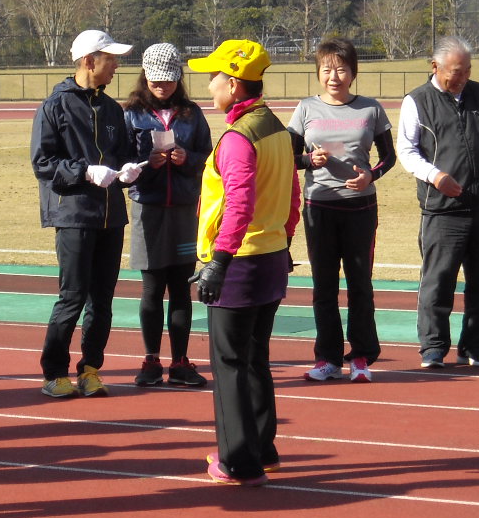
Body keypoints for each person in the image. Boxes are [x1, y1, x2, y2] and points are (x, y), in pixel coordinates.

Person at [187, 39, 300, 486]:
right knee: (255, 359)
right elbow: (293, 196)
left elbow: (238, 204)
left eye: (213, 78)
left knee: (230, 363)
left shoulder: (238, 138)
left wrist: (218, 260)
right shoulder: (274, 127)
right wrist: (285, 239)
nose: (209, 85)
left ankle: (238, 460)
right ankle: (263, 448)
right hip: (270, 256)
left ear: (233, 84)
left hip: (240, 261)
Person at [31, 29, 141, 399]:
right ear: (89, 60)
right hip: (74, 216)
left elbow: (121, 154)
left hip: (111, 217)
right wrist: (84, 171)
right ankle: (54, 371)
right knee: (73, 296)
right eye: (110, 59)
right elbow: (43, 163)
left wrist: (128, 170)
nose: (116, 66)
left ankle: (91, 369)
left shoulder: (112, 109)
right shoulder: (54, 106)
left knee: (103, 300)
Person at [397, 35, 479, 369]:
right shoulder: (417, 101)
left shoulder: (478, 92)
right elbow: (406, 150)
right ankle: (433, 347)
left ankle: (474, 346)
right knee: (438, 279)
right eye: (456, 71)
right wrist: (435, 176)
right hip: (442, 209)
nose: (462, 78)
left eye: (466, 71)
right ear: (435, 67)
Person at [287, 38, 396, 384]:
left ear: (353, 72)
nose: (334, 76)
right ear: (318, 72)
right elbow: (288, 157)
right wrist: (308, 160)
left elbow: (389, 157)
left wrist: (371, 175)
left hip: (361, 207)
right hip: (319, 207)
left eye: (341, 68)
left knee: (360, 284)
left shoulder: (371, 109)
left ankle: (361, 356)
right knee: (324, 286)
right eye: (326, 69)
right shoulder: (305, 109)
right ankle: (328, 358)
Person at [123, 43, 213, 388]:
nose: (162, 86)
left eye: (169, 81)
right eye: (156, 80)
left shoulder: (192, 114)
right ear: (145, 76)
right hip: (148, 208)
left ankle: (180, 361)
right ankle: (150, 360)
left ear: (179, 78)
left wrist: (185, 158)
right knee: (151, 287)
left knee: (180, 287)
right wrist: (148, 164)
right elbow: (122, 164)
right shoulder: (130, 114)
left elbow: (209, 160)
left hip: (184, 211)